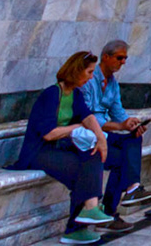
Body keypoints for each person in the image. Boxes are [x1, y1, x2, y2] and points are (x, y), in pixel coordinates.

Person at [14, 52, 113, 244]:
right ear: (77, 71)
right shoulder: (52, 94)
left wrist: (101, 138)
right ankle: (78, 225)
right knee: (83, 170)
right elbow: (48, 134)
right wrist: (75, 127)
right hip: (38, 152)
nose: (91, 77)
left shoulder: (75, 94)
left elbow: (88, 117)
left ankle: (88, 212)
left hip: (57, 149)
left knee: (92, 155)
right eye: (89, 72)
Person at [84, 41, 149, 227]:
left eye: (125, 58)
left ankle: (132, 188)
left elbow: (118, 111)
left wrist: (131, 124)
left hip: (104, 134)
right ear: (106, 57)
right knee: (122, 159)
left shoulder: (113, 84)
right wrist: (120, 126)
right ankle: (111, 210)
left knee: (134, 138)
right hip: (87, 135)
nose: (123, 62)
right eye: (120, 58)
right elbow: (85, 116)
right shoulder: (88, 80)